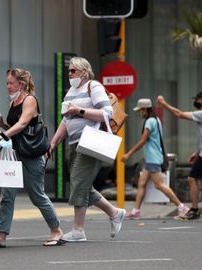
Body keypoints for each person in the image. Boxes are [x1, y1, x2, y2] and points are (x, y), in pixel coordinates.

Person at [48, 57, 126, 242]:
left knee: (78, 181)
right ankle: (114, 212)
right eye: (69, 71)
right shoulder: (70, 93)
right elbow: (65, 121)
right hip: (74, 143)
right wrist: (53, 143)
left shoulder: (94, 86)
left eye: (73, 71)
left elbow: (106, 113)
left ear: (84, 72)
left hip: (90, 141)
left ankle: (78, 230)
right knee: (80, 183)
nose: (69, 74)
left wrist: (79, 111)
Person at [0, 68, 63, 247]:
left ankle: (56, 230)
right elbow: (16, 125)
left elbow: (23, 123)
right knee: (7, 195)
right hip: (14, 154)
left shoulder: (30, 100)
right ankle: (1, 234)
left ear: (21, 84)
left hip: (31, 155)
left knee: (37, 195)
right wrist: (3, 125)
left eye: (10, 83)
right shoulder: (13, 102)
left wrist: (3, 135)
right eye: (7, 82)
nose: (7, 86)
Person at [157, 92, 202, 221]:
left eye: (197, 99)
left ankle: (195, 210)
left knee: (192, 178)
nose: (195, 102)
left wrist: (164, 104)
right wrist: (197, 152)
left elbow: (179, 114)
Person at [121, 98, 190, 219]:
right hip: (151, 158)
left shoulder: (149, 122)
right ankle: (136, 211)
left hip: (153, 158)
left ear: (144, 110)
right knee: (141, 183)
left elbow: (143, 141)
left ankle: (182, 207)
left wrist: (128, 154)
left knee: (159, 185)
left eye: (140, 110)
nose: (139, 113)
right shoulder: (156, 119)